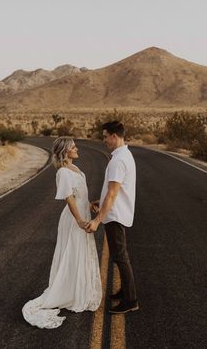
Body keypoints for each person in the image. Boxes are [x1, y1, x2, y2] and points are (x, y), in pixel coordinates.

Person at [22, 137, 102, 329]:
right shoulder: (64, 172)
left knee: (80, 254)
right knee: (71, 254)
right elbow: (69, 199)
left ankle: (77, 291)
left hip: (81, 213)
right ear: (65, 151)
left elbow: (79, 196)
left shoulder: (76, 169)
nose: (77, 149)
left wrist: (90, 205)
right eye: (73, 147)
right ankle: (68, 293)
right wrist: (80, 220)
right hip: (73, 219)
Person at [86, 121, 139, 314]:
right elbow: (114, 191)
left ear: (114, 136)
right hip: (116, 211)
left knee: (120, 257)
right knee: (119, 256)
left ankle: (131, 299)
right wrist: (100, 201)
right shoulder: (124, 155)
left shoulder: (118, 160)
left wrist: (97, 220)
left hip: (115, 215)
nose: (104, 140)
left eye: (105, 136)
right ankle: (125, 291)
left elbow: (112, 193)